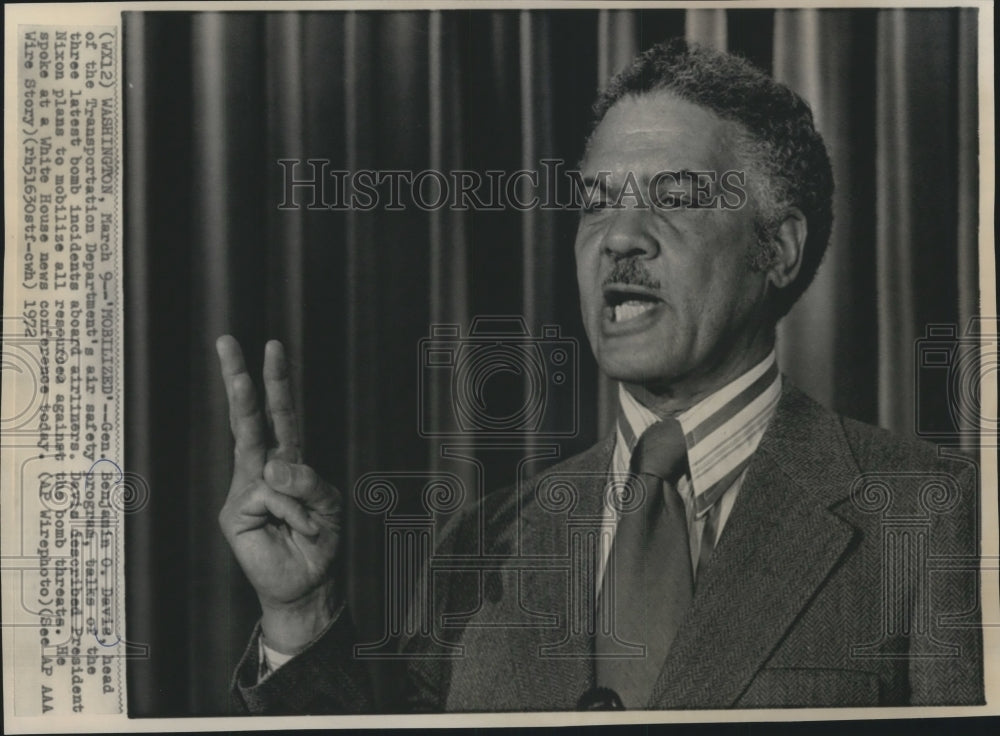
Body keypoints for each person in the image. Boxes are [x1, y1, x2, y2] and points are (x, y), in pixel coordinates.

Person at [216, 39, 983, 711]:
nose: (618, 238)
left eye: (675, 197)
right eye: (595, 203)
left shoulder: (937, 518)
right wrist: (302, 616)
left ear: (777, 250)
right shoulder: (480, 542)